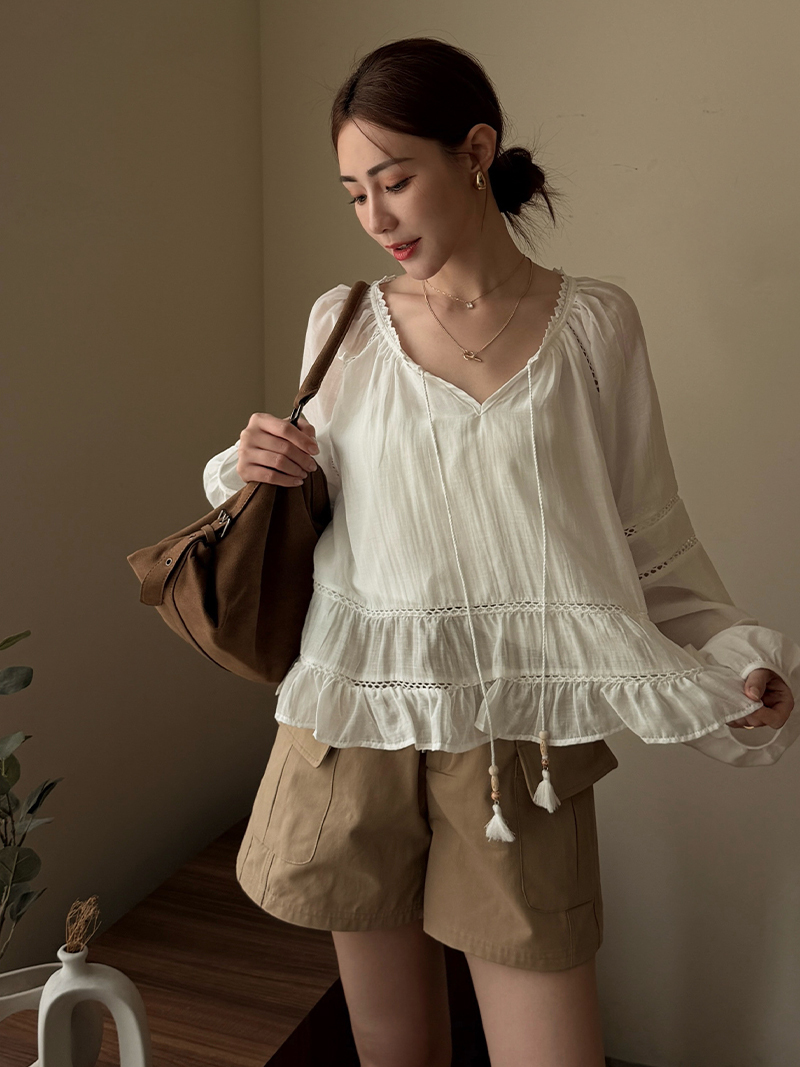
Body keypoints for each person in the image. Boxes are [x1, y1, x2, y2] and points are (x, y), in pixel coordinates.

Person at [202, 37, 798, 1067]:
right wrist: (258, 465)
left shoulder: (595, 326)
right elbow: (315, 510)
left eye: (394, 180)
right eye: (353, 194)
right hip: (359, 720)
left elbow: (646, 535)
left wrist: (726, 657)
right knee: (395, 1048)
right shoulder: (343, 325)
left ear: (474, 152)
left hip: (520, 743)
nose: (375, 217)